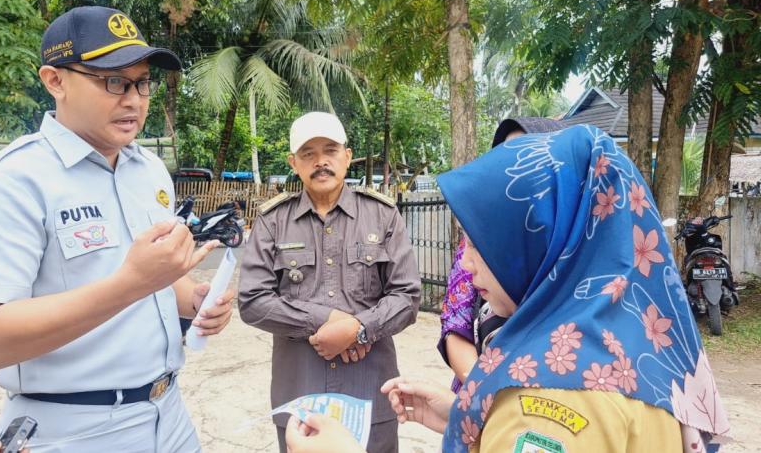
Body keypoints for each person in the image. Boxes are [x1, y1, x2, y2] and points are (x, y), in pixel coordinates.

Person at [291, 125, 731, 452]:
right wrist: (467, 417)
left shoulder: (550, 396)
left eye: (481, 243)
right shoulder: (629, 341)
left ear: (538, 243)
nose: (464, 261)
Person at [0, 6, 233, 452]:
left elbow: (152, 277)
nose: (134, 99)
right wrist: (129, 284)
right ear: (55, 81)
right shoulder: (11, 181)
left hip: (170, 415)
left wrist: (189, 298)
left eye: (142, 82)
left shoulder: (148, 170)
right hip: (71, 428)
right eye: (113, 81)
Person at [239, 111, 421, 453]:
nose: (320, 161)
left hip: (370, 397)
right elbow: (252, 301)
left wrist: (359, 328)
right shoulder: (272, 221)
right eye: (308, 153)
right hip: (300, 397)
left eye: (330, 150)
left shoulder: (383, 215)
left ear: (347, 157)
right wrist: (325, 321)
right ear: (294, 163)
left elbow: (407, 296)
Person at [439, 117, 562, 391]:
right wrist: (484, 400)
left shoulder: (576, 260)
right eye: (504, 158)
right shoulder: (473, 246)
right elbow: (455, 323)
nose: (513, 171)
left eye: (524, 157)